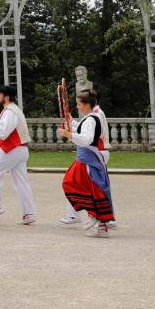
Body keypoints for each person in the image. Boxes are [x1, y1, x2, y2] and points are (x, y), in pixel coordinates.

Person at [59, 90, 114, 238]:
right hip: (87, 158)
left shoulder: (91, 118)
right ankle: (101, 225)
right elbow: (83, 131)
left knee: (70, 184)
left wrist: (69, 135)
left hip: (88, 159)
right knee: (94, 188)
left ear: (87, 105)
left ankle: (90, 215)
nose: (77, 107)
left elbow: (87, 138)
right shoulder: (91, 117)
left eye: (78, 104)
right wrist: (71, 122)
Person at [0, 85, 35, 225]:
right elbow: (5, 129)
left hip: (12, 149)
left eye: (0, 94)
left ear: (7, 97)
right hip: (19, 150)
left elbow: (3, 133)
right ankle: (29, 213)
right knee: (21, 183)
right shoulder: (11, 110)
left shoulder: (10, 111)